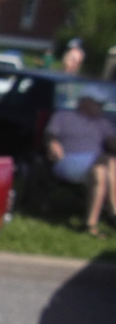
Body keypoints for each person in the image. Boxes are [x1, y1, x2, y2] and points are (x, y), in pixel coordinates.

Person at [45, 87, 116, 237]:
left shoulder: (103, 123)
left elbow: (112, 144)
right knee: (107, 164)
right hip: (70, 160)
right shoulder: (63, 116)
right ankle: (112, 212)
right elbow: (50, 134)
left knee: (102, 168)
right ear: (85, 102)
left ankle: (90, 224)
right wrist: (52, 143)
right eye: (98, 104)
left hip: (97, 162)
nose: (101, 108)